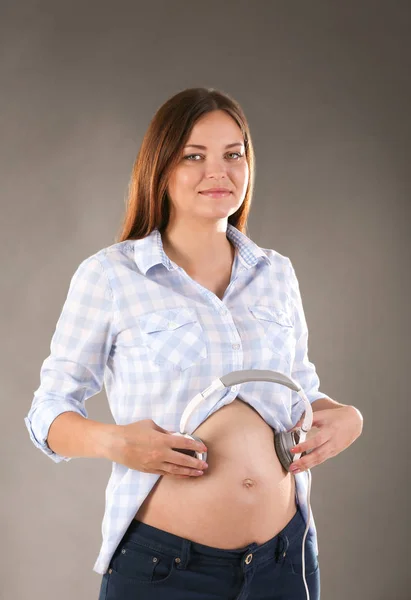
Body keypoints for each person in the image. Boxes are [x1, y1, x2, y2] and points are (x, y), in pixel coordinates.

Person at [24, 87, 363, 600]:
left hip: (285, 559)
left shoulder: (277, 274)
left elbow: (299, 390)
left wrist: (345, 417)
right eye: (194, 156)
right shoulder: (112, 276)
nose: (218, 172)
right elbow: (47, 413)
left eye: (233, 154)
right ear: (160, 169)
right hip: (167, 570)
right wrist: (116, 442)